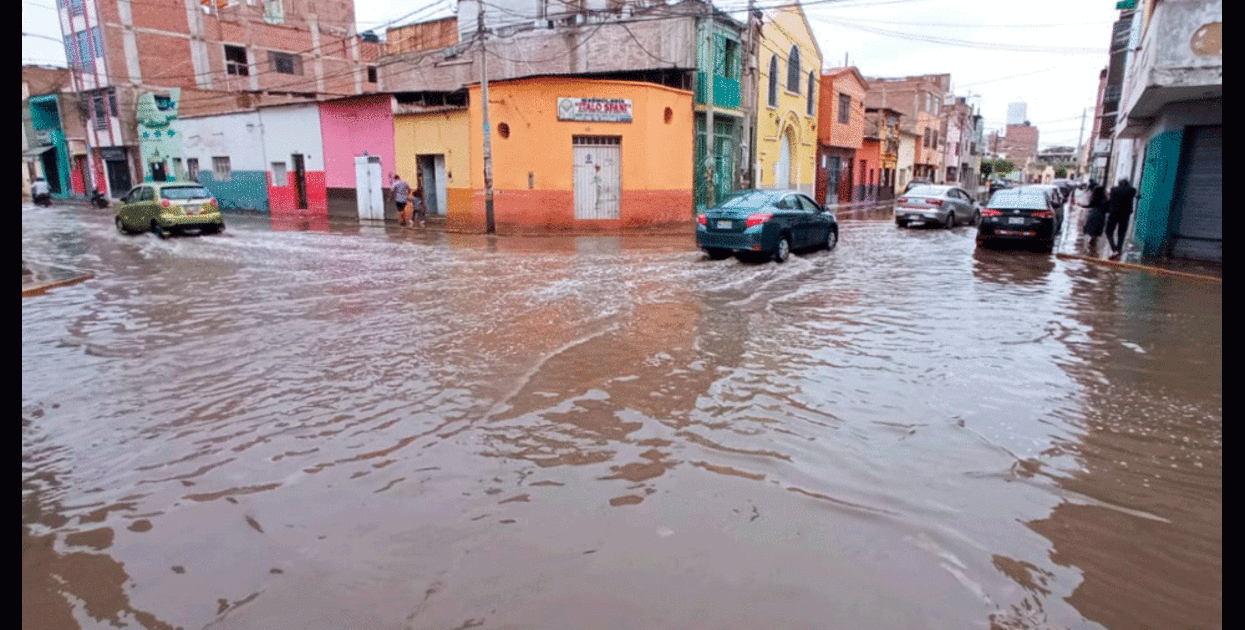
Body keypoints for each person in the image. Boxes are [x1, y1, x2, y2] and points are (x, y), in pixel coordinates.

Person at [1105, 178, 1138, 256]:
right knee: (1121, 233)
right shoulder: (1132, 190)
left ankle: (1114, 248)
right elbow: (1133, 192)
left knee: (1108, 232)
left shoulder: (1113, 189)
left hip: (1113, 214)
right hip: (1125, 215)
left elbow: (1109, 199)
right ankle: (1119, 249)